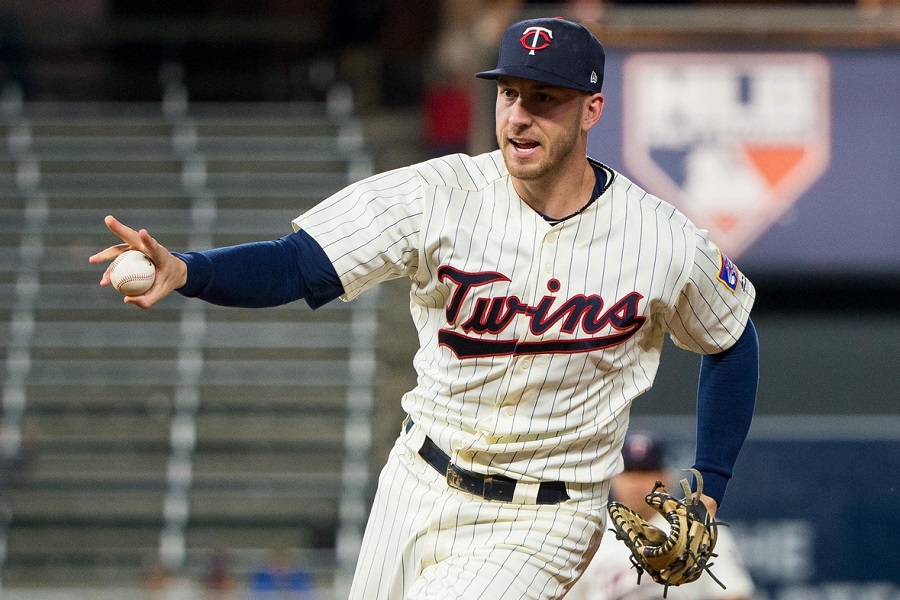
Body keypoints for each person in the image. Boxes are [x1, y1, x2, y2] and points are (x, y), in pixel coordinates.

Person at [90, 16, 759, 600]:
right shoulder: (436, 195)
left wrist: (709, 481)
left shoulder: (660, 239)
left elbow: (731, 339)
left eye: (543, 98)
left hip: (545, 518)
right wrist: (190, 271)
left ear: (591, 110)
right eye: (507, 94)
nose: (517, 115)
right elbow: (298, 262)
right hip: (416, 483)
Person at [567, 432, 755, 600]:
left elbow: (734, 594)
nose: (636, 484)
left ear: (666, 477)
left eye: (646, 472)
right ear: (613, 478)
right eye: (629, 473)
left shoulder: (696, 528)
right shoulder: (587, 532)